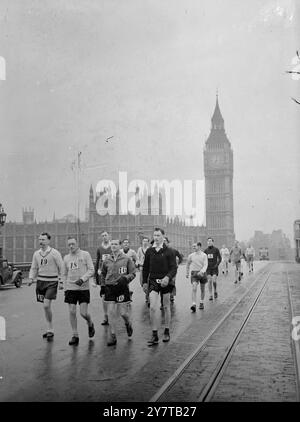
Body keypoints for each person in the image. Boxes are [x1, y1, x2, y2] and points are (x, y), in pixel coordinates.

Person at [142, 228, 177, 346]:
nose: (156, 238)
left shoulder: (169, 251)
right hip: (153, 282)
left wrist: (167, 278)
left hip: (165, 282)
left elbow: (173, 268)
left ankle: (167, 331)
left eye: (158, 235)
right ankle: (154, 334)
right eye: (154, 235)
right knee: (152, 308)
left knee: (166, 307)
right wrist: (144, 283)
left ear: (163, 236)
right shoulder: (149, 251)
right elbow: (145, 268)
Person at [100, 239, 136, 346]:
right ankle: (113, 336)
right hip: (109, 288)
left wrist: (125, 279)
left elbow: (133, 273)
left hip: (121, 288)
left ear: (119, 246)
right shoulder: (107, 260)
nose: (113, 246)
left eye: (115, 244)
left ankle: (128, 323)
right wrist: (102, 286)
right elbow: (102, 274)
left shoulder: (126, 259)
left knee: (122, 313)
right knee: (111, 312)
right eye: (112, 244)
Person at [28, 232, 63, 341]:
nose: (41, 242)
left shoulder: (55, 253)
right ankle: (49, 328)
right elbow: (34, 267)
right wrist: (31, 278)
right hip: (41, 282)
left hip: (52, 282)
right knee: (45, 306)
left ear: (48, 241)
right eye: (40, 240)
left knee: (46, 305)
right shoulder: (36, 254)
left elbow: (61, 267)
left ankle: (50, 329)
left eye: (43, 240)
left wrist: (61, 281)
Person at [62, 237, 95, 346]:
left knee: (83, 313)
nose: (71, 246)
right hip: (71, 288)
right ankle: (75, 335)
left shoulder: (85, 254)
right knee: (72, 311)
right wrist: (64, 286)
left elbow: (91, 269)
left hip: (83, 288)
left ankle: (90, 323)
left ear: (77, 244)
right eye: (69, 244)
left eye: (73, 244)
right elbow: (64, 273)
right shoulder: (66, 258)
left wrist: (83, 279)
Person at [95, 231, 112, 326]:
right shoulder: (99, 248)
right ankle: (106, 316)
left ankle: (112, 314)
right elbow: (97, 261)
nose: (104, 237)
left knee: (112, 295)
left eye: (106, 235)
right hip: (102, 274)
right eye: (102, 236)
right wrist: (96, 274)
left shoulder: (113, 246)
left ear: (109, 236)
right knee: (104, 295)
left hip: (112, 274)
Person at [186, 242, 208, 311]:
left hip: (202, 273)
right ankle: (194, 304)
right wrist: (187, 272)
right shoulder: (191, 255)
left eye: (195, 246)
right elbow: (187, 264)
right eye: (193, 246)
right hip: (194, 273)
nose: (193, 247)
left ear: (199, 246)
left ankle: (201, 302)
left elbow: (205, 265)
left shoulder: (204, 255)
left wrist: (202, 271)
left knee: (202, 289)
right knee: (194, 287)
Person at [164, 238, 183, 303]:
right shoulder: (160, 251)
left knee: (172, 281)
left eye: (165, 241)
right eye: (163, 241)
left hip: (173, 269)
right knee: (165, 282)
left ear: (168, 242)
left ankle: (171, 295)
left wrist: (177, 264)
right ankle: (164, 298)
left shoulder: (173, 250)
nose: (164, 242)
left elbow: (180, 257)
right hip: (164, 270)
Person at [136, 237, 150, 304]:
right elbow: (137, 257)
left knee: (148, 281)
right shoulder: (139, 249)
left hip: (148, 268)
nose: (145, 242)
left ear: (148, 242)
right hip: (141, 267)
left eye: (146, 241)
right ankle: (146, 292)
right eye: (144, 241)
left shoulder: (149, 249)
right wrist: (138, 263)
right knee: (142, 282)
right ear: (142, 242)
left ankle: (148, 295)